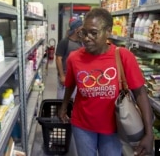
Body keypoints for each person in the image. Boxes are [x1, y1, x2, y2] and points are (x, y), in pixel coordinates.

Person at [59, 8, 153, 156]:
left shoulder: (123, 56)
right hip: (82, 125)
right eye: (84, 32)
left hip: (114, 128)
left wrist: (149, 133)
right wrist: (64, 107)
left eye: (94, 33)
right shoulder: (74, 58)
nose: (87, 38)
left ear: (108, 31)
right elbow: (70, 84)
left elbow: (140, 94)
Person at [55, 18, 83, 99]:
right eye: (81, 28)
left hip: (76, 76)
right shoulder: (64, 42)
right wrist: (62, 76)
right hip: (65, 76)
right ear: (76, 29)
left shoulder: (81, 42)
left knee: (73, 100)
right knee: (62, 99)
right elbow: (58, 59)